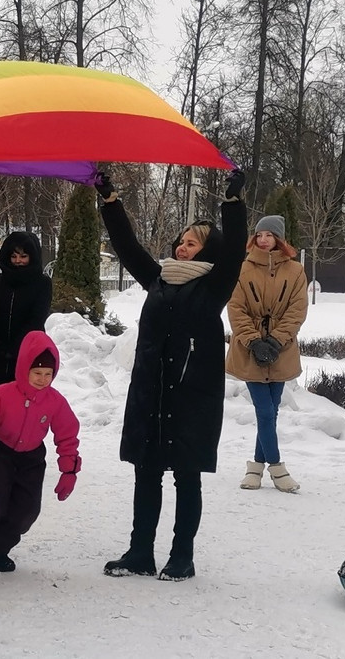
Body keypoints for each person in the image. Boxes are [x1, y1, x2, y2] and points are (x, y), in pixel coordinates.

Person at [96, 169, 246, 582]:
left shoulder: (216, 285)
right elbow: (127, 247)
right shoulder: (158, 278)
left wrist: (232, 205)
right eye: (181, 240)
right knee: (146, 472)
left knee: (186, 476)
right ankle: (140, 552)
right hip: (151, 392)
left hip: (191, 396)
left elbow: (235, 249)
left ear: (206, 250)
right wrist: (111, 202)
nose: (182, 247)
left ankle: (182, 556)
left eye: (191, 242)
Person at [0, 331, 81, 573]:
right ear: (24, 368)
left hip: (32, 456)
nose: (42, 379)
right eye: (37, 373)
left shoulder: (55, 402)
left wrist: (69, 470)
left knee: (27, 509)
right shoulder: (5, 393)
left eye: (48, 374)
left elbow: (67, 434)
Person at [226, 215, 307, 493]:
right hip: (249, 350)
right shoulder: (242, 268)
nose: (263, 240)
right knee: (264, 409)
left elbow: (297, 309)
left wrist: (274, 341)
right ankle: (277, 467)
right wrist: (254, 341)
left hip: (281, 350)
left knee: (271, 412)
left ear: (279, 239)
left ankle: (255, 468)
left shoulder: (296, 271)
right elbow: (236, 308)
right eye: (259, 235)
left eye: (269, 235)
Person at [0, 232, 53, 391]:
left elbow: (36, 319)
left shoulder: (42, 283)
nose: (18, 261)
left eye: (24, 256)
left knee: (24, 400)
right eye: (14, 256)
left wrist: (16, 348)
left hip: (27, 353)